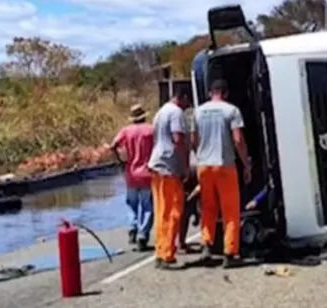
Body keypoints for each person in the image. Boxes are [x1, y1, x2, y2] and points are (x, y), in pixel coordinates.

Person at [192, 79, 252, 269]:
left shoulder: (198, 111)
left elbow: (194, 140)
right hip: (224, 165)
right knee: (230, 211)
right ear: (225, 94)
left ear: (210, 92)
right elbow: (238, 139)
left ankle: (206, 245)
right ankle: (230, 252)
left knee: (208, 208)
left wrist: (200, 155)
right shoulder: (231, 111)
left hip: (204, 166)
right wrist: (246, 164)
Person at [148, 91, 191, 269]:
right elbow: (178, 139)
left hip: (157, 165)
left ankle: (160, 250)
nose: (188, 105)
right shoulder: (176, 113)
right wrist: (185, 165)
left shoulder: (160, 112)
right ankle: (166, 253)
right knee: (174, 210)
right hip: (169, 167)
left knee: (161, 211)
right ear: (181, 97)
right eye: (187, 100)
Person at [108, 104, 154, 252]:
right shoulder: (150, 130)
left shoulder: (126, 131)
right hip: (147, 172)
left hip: (131, 173)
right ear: (144, 116)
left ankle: (133, 226)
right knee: (147, 206)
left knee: (131, 204)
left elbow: (113, 145)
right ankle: (142, 234)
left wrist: (121, 161)